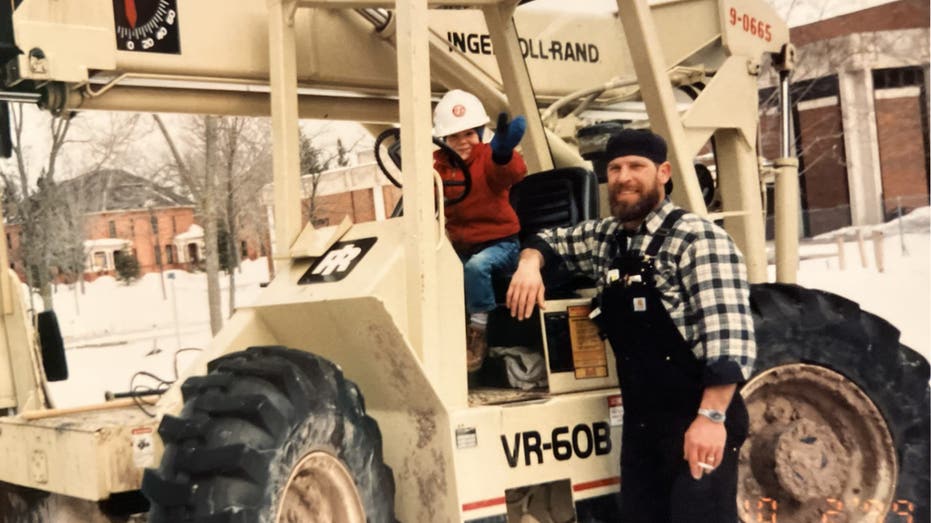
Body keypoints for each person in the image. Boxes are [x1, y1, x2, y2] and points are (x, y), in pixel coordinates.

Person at [505, 129, 756, 522]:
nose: (623, 177)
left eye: (637, 166)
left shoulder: (698, 238)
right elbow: (551, 239)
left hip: (696, 415)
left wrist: (711, 419)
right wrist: (529, 263)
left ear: (664, 172)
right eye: (615, 168)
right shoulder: (607, 238)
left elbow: (728, 342)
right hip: (642, 421)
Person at [432, 89, 528, 372]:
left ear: (480, 134)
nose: (462, 142)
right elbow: (428, 198)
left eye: (468, 134)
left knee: (475, 268)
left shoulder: (489, 158)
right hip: (464, 245)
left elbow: (511, 173)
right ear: (443, 140)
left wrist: (503, 156)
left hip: (501, 245)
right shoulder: (438, 168)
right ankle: (446, 336)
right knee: (442, 272)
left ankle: (478, 333)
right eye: (454, 136)